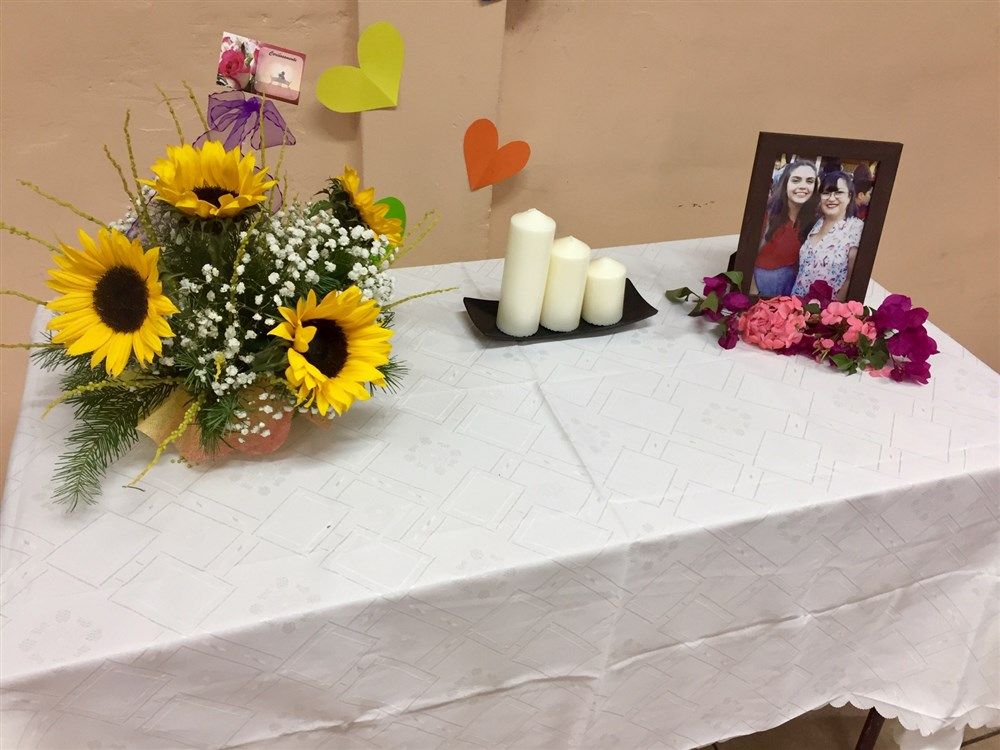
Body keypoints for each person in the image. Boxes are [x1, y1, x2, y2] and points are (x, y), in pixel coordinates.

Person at [791, 170, 864, 300]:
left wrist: (834, 309)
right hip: (797, 302)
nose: (831, 198)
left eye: (838, 193)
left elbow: (851, 279)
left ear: (849, 196)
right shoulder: (817, 222)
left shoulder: (856, 229)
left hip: (825, 309)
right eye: (826, 193)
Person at [754, 160, 818, 297]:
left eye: (809, 181)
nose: (803, 186)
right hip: (762, 285)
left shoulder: (813, 220)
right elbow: (747, 258)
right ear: (786, 183)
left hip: (791, 287)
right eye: (796, 180)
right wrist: (752, 292)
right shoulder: (767, 214)